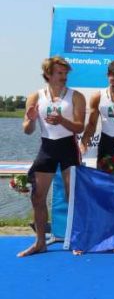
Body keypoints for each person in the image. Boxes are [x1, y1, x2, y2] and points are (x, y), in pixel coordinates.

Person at [18, 56, 86, 257]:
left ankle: (78, 239)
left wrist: (62, 120)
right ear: (48, 74)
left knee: (71, 196)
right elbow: (27, 130)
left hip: (68, 149)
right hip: (47, 148)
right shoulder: (35, 97)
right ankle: (40, 242)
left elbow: (79, 127)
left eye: (66, 73)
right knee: (37, 197)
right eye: (60, 73)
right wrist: (30, 121)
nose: (64, 77)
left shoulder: (76, 96)